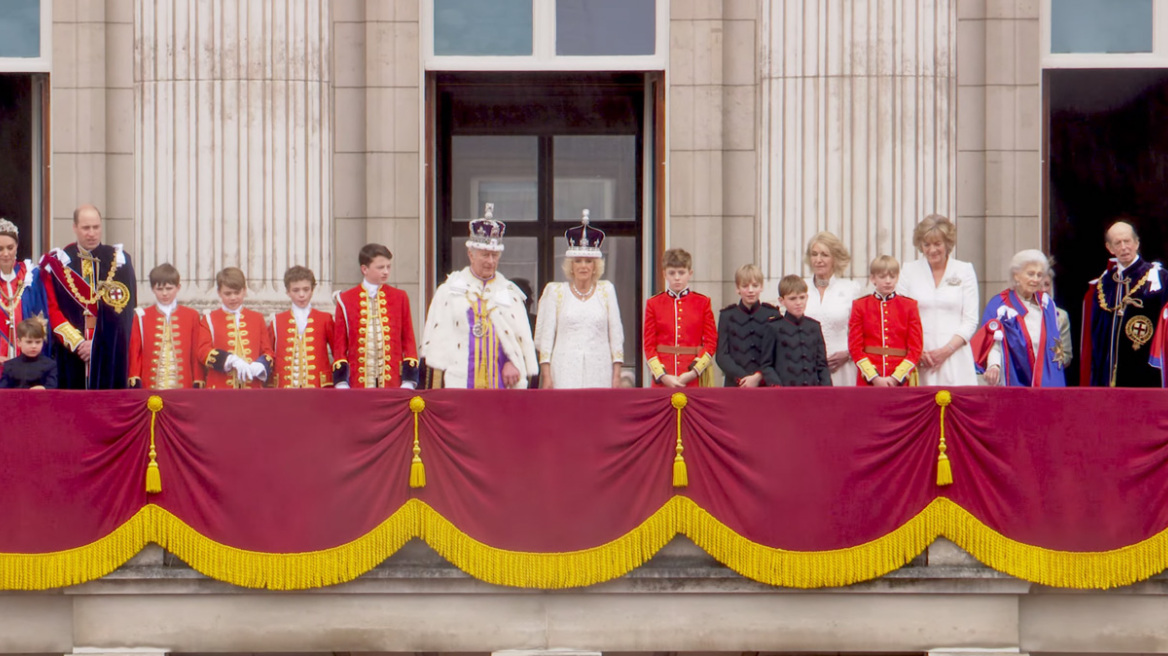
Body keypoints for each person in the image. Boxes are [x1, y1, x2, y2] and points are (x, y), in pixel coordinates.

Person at [420, 204, 538, 388]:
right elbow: (436, 347)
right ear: (471, 254)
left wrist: (511, 361)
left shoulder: (509, 294)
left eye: (494, 255)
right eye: (485, 255)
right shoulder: (449, 291)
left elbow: (517, 341)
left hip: (500, 383)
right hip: (459, 381)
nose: (490, 261)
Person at [39, 204, 137, 389]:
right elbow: (52, 309)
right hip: (71, 353)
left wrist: (97, 345)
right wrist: (78, 343)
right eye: (86, 228)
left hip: (109, 352)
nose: (91, 233)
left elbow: (124, 312)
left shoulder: (120, 260)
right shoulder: (60, 262)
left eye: (96, 227)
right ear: (75, 228)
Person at [534, 211, 624, 389]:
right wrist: (546, 376)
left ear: (595, 266)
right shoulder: (556, 292)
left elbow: (616, 335)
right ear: (571, 266)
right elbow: (546, 338)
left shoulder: (606, 291)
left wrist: (616, 376)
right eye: (578, 261)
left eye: (588, 261)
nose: (583, 266)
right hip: (564, 372)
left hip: (599, 371)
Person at [1082, 220, 1168, 387]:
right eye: (1117, 243)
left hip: (1146, 369)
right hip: (1110, 372)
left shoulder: (1159, 278)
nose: (1123, 247)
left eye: (1127, 241)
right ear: (1110, 248)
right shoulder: (1104, 283)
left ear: (1136, 243)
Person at [896, 215, 980, 386]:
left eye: (937, 244)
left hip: (955, 357)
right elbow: (900, 316)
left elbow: (970, 320)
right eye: (926, 244)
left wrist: (946, 351)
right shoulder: (908, 271)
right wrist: (916, 352)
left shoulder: (964, 270)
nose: (932, 250)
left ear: (947, 244)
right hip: (919, 357)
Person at [972, 250, 1066, 387]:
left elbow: (1054, 346)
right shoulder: (999, 305)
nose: (1035, 279)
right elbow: (993, 343)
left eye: (1039, 275)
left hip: (1045, 380)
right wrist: (994, 366)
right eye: (1030, 274)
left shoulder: (1047, 304)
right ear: (1016, 275)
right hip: (1013, 378)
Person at [333, 244, 418, 389]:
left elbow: (408, 339)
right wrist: (341, 382)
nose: (386, 272)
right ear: (364, 269)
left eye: (388, 267)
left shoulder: (400, 297)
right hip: (358, 383)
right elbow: (340, 344)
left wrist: (408, 380)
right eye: (380, 267)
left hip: (393, 382)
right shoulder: (346, 299)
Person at [643, 248, 718, 388]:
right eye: (672, 273)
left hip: (693, 377)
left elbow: (711, 343)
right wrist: (663, 376)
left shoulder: (703, 302)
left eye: (681, 273)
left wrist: (694, 372)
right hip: (663, 378)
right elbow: (648, 345)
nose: (677, 278)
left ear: (690, 274)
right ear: (664, 274)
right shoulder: (653, 304)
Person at [848, 255, 923, 387]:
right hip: (869, 379)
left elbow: (916, 348)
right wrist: (874, 377)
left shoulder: (909, 306)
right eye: (882, 277)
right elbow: (855, 347)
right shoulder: (860, 305)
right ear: (873, 278)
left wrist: (896, 377)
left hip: (900, 379)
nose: (888, 281)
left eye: (892, 277)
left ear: (897, 278)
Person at [196, 267, 273, 389]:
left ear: (244, 291)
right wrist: (230, 360)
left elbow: (268, 351)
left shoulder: (257, 318)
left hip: (252, 388)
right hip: (220, 389)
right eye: (227, 293)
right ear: (219, 292)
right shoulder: (209, 319)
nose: (233, 297)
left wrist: (260, 365)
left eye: (237, 293)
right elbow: (202, 351)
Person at [128, 263, 204, 389]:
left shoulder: (192, 315)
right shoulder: (141, 316)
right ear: (153, 289)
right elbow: (135, 350)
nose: (164, 293)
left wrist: (198, 377)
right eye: (159, 289)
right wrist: (134, 375)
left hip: (183, 384)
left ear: (178, 287)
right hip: (151, 385)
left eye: (169, 288)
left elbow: (195, 350)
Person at [803, 231, 862, 386]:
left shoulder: (851, 289)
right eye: (814, 254)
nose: (818, 260)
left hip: (842, 367)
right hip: (808, 369)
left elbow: (863, 330)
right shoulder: (801, 289)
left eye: (825, 255)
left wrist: (848, 354)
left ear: (835, 258)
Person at [270, 266, 336, 388]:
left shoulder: (325, 318)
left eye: (306, 289)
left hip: (318, 386)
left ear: (312, 289)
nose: (302, 295)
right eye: (296, 290)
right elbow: (269, 353)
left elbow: (338, 352)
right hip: (284, 388)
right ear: (287, 292)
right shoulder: (277, 321)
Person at [715, 263, 781, 386]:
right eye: (745, 286)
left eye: (755, 286)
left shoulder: (772, 314)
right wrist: (742, 378)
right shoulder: (727, 316)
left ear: (761, 287)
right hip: (736, 385)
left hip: (764, 383)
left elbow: (777, 352)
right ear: (737, 288)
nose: (750, 290)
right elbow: (722, 355)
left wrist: (758, 377)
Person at [761, 275, 831, 387]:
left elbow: (822, 364)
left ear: (807, 297)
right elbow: (766, 364)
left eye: (802, 297)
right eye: (793, 298)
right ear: (781, 301)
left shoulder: (814, 326)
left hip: (812, 391)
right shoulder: (774, 327)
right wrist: (777, 386)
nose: (798, 303)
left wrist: (827, 390)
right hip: (785, 392)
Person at [0, 218, 49, 369]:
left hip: (27, 361)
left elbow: (41, 318)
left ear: (17, 247)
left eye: (10, 247)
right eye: (0, 249)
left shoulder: (30, 276)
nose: (6, 253)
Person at [0, 318, 56, 389]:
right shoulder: (9, 366)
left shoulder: (50, 365)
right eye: (29, 342)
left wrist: (44, 388)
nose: (34, 346)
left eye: (38, 342)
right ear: (19, 342)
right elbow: (3, 392)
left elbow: (53, 388)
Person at [1042, 266, 1074, 370]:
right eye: (1039, 285)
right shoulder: (1020, 314)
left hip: (1051, 375)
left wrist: (1055, 357)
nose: (1043, 289)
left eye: (1046, 284)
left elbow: (1066, 357)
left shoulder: (1060, 316)